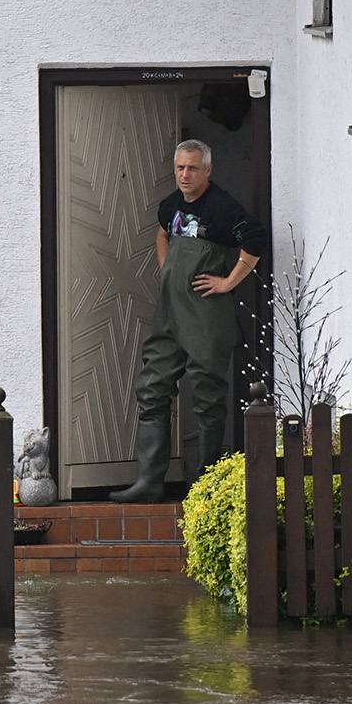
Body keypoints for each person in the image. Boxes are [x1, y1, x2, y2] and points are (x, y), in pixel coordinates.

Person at [111, 138, 264, 503]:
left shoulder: (223, 208)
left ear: (207, 170)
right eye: (180, 167)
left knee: (207, 396)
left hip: (206, 316)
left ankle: (206, 488)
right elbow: (162, 233)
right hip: (169, 315)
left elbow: (255, 238)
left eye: (193, 168)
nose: (185, 174)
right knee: (152, 387)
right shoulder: (171, 205)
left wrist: (228, 282)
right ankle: (149, 481)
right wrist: (167, 271)